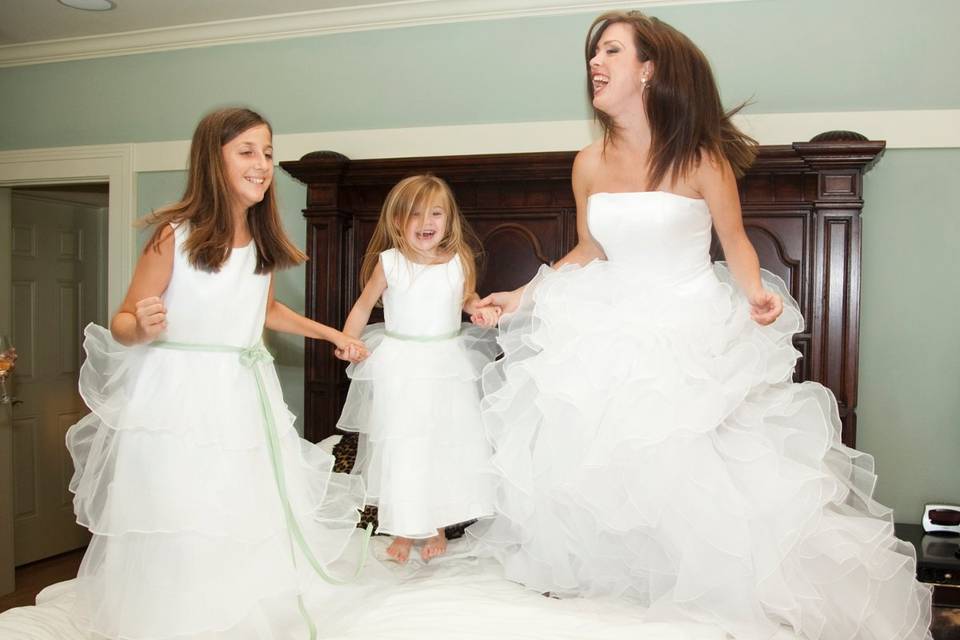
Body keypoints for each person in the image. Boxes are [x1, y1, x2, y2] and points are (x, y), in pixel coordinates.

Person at [471, 11, 933, 640]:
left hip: (687, 323)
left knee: (694, 465)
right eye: (591, 54)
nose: (595, 65)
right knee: (597, 455)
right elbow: (587, 249)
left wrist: (753, 294)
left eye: (610, 51)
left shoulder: (700, 159)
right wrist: (521, 296)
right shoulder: (587, 162)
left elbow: (736, 243)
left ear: (648, 70)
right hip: (604, 323)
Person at [65, 107, 370, 639]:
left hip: (242, 394)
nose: (262, 164)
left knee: (242, 510)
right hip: (178, 399)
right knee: (185, 512)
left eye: (269, 153)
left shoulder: (261, 242)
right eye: (247, 151)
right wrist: (141, 323)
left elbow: (265, 312)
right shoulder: (174, 236)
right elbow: (123, 320)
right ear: (214, 158)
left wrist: (332, 334)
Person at [336, 174, 500, 564]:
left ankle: (438, 524)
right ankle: (404, 529)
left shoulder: (459, 260)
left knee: (442, 443)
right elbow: (362, 306)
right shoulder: (389, 263)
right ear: (397, 222)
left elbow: (468, 298)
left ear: (448, 219)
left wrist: (480, 309)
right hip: (402, 366)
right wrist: (347, 338)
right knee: (404, 444)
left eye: (436, 214)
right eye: (416, 215)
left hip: (446, 365)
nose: (427, 222)